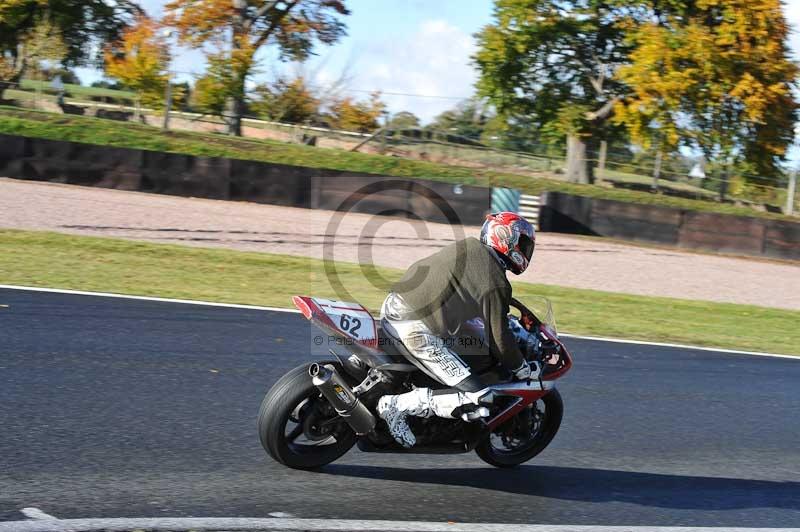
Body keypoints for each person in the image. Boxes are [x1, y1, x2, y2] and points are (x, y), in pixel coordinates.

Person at [377, 211, 538, 447]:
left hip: (393, 305)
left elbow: (463, 300)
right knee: (480, 397)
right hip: (415, 329)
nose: (525, 251)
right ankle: (395, 407)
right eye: (523, 244)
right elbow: (499, 339)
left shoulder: (469, 246)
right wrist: (521, 367)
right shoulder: (496, 281)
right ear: (506, 238)